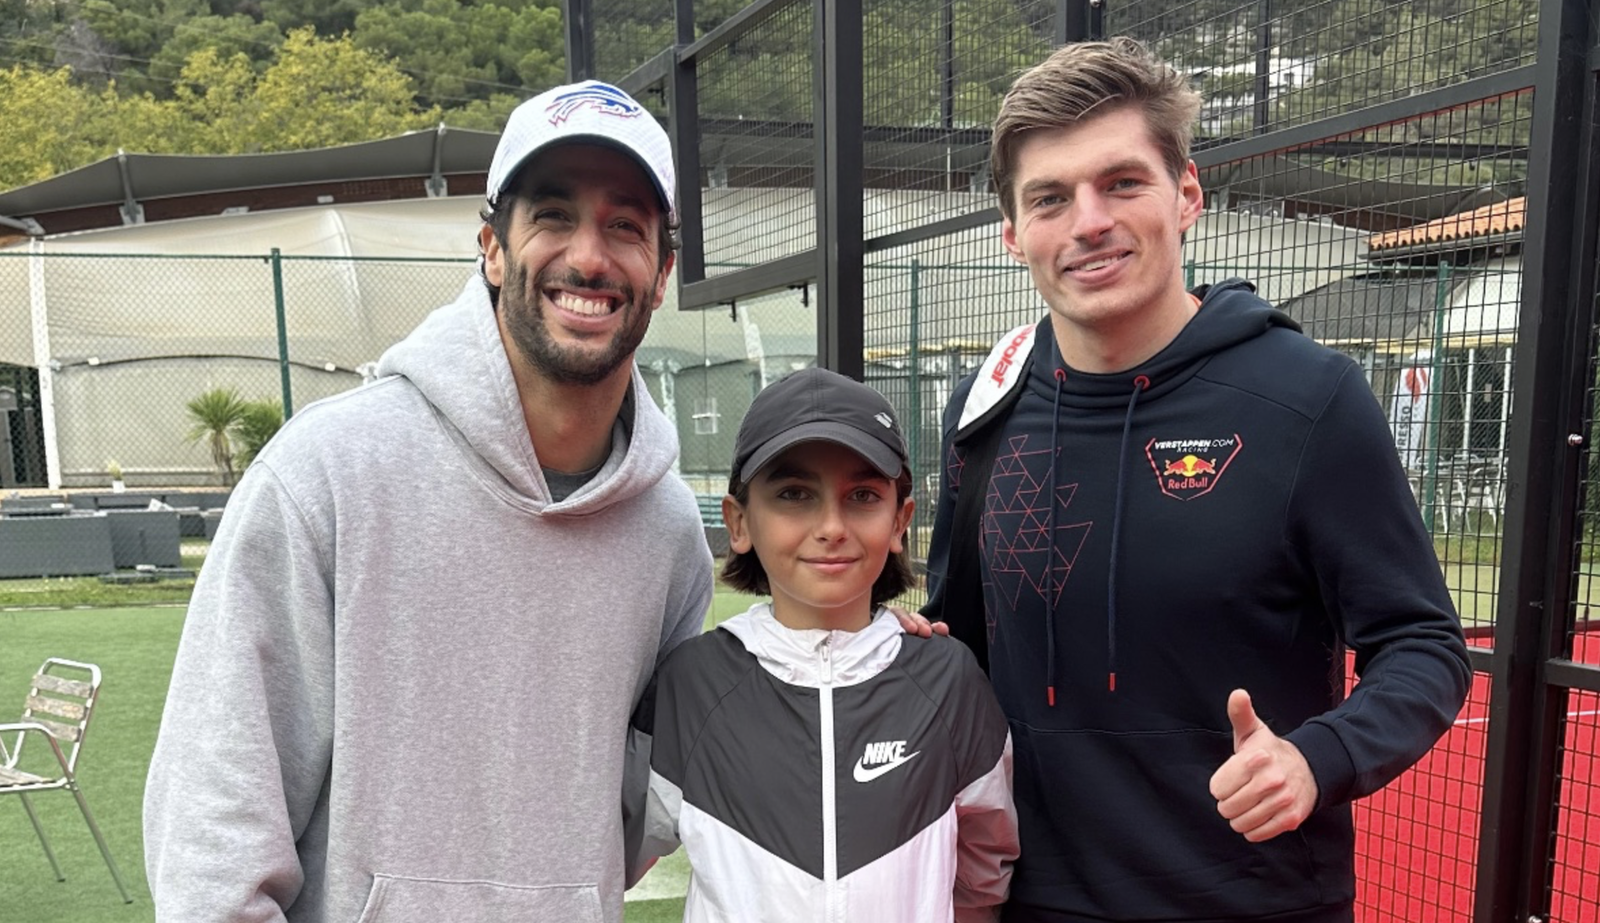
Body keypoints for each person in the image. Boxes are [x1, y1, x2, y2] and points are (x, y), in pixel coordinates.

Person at [920, 37, 1471, 923]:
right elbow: (962, 650)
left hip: (1257, 903)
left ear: (1186, 195)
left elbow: (1424, 644)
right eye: (1051, 198)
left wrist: (1317, 757)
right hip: (1035, 903)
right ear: (1014, 234)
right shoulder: (986, 406)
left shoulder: (1308, 398)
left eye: (1122, 183)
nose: (1088, 222)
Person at [143, 80, 715, 923]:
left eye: (625, 225)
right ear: (492, 248)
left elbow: (637, 813)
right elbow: (211, 839)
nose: (589, 257)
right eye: (553, 215)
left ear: (662, 273)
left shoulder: (668, 535)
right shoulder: (325, 473)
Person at [636, 367, 1020, 922]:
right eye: (794, 494)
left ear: (900, 522)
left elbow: (984, 873)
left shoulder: (949, 682)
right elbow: (615, 852)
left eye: (862, 495)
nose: (832, 526)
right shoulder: (690, 685)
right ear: (738, 522)